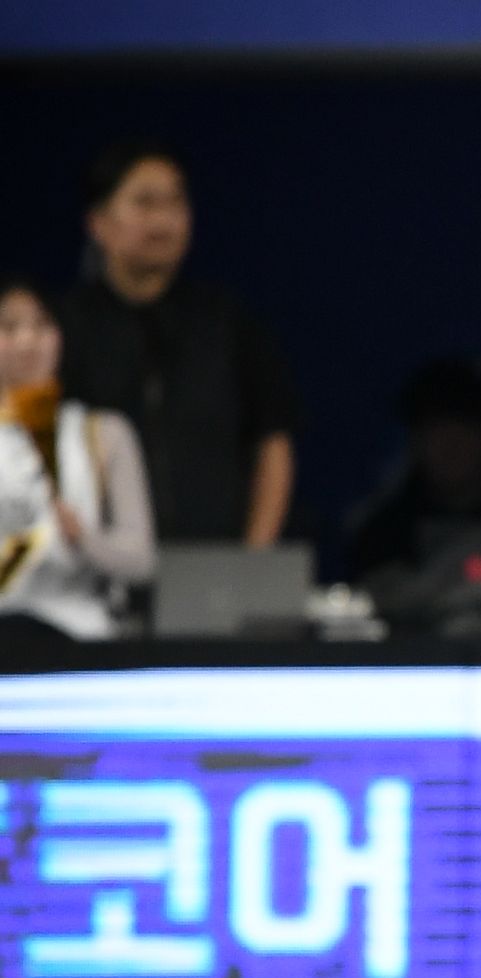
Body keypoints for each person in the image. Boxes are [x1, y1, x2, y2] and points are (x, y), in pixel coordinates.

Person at [56, 141, 298, 546]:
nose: (163, 221)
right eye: (145, 203)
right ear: (98, 222)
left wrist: (254, 556)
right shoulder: (63, 327)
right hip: (97, 563)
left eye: (175, 202)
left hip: (215, 558)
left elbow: (273, 438)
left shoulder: (225, 321)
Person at [0, 276, 155, 644]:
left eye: (41, 325)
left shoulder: (103, 433)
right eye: (9, 327)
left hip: (81, 635)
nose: (27, 341)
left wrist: (83, 538)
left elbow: (141, 560)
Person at [344, 359, 481, 593]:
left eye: (465, 428)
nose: (452, 445)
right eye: (436, 430)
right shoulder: (383, 534)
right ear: (415, 441)